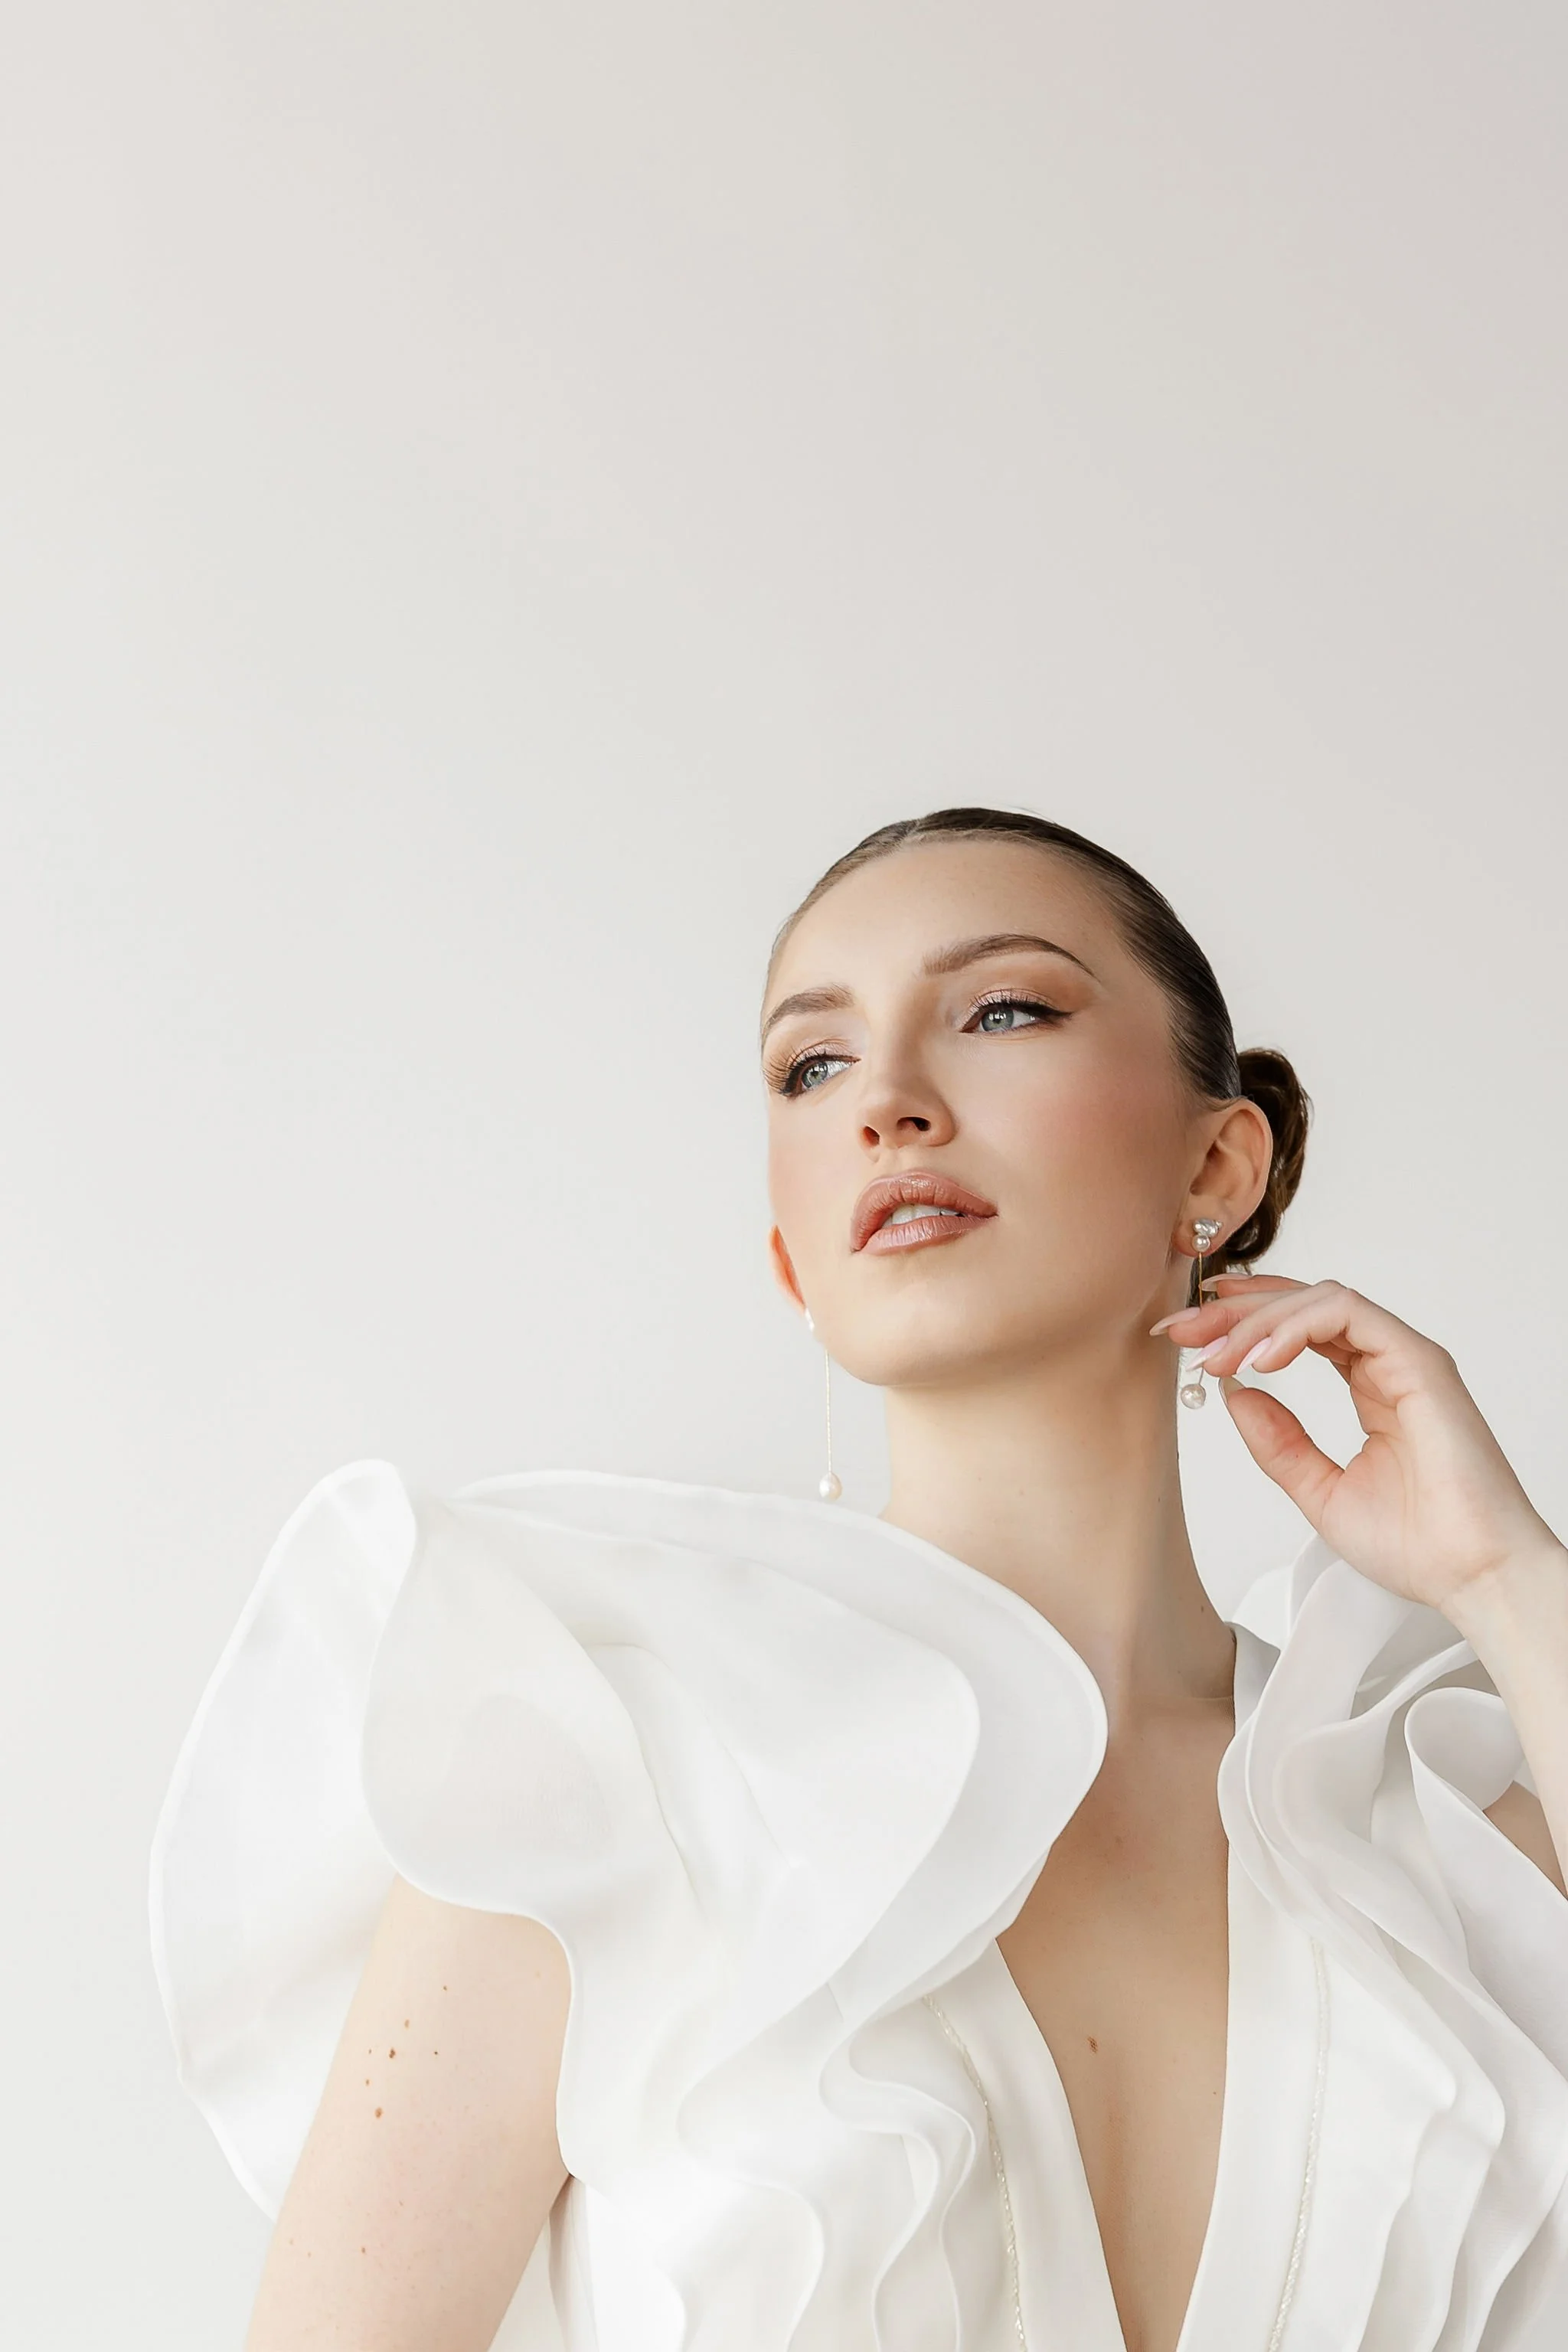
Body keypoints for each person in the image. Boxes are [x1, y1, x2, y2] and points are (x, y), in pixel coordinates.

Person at [150, 808, 1568, 2352]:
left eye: (1001, 1012)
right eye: (810, 1066)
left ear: (1216, 1164)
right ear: (792, 1261)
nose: (887, 1102)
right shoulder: (586, 1770)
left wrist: (1501, 1571)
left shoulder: (1435, 1826)